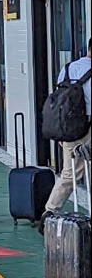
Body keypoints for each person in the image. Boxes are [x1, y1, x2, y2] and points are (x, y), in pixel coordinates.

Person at [43, 36, 92, 217]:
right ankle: (50, 210)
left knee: (70, 173)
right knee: (72, 174)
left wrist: (61, 134)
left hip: (68, 128)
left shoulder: (67, 69)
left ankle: (50, 212)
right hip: (87, 127)